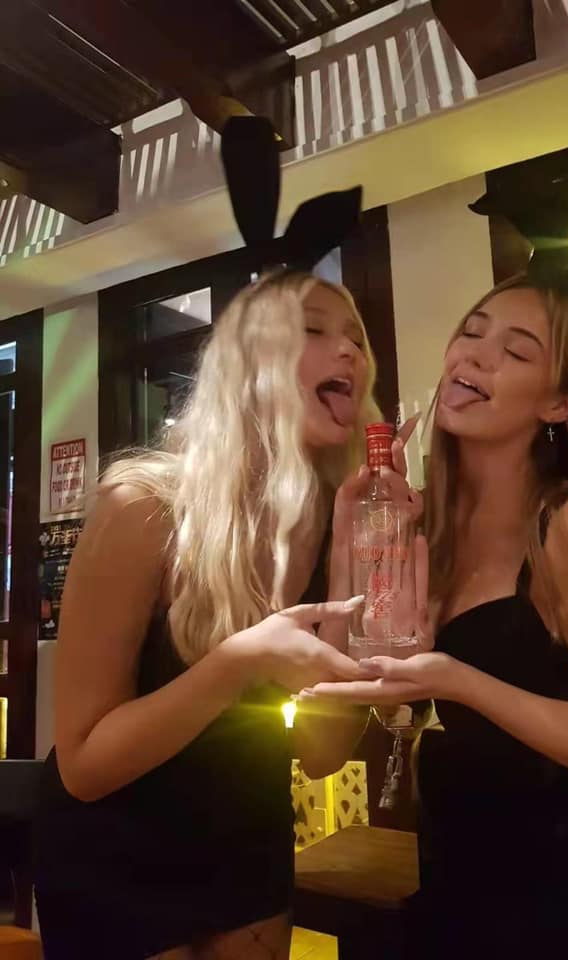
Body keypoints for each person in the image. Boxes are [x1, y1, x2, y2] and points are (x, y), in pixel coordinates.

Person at [305, 275, 568, 957]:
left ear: (560, 402)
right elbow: (321, 752)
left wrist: (457, 680)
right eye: (471, 334)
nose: (475, 355)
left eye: (516, 351)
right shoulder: (426, 532)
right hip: (478, 882)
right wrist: (349, 552)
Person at [33, 270, 387, 960]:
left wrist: (352, 577)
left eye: (357, 338)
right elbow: (84, 766)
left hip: (247, 838)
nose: (349, 350)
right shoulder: (144, 508)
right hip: (116, 848)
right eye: (313, 330)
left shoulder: (334, 521)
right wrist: (241, 661)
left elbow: (322, 756)